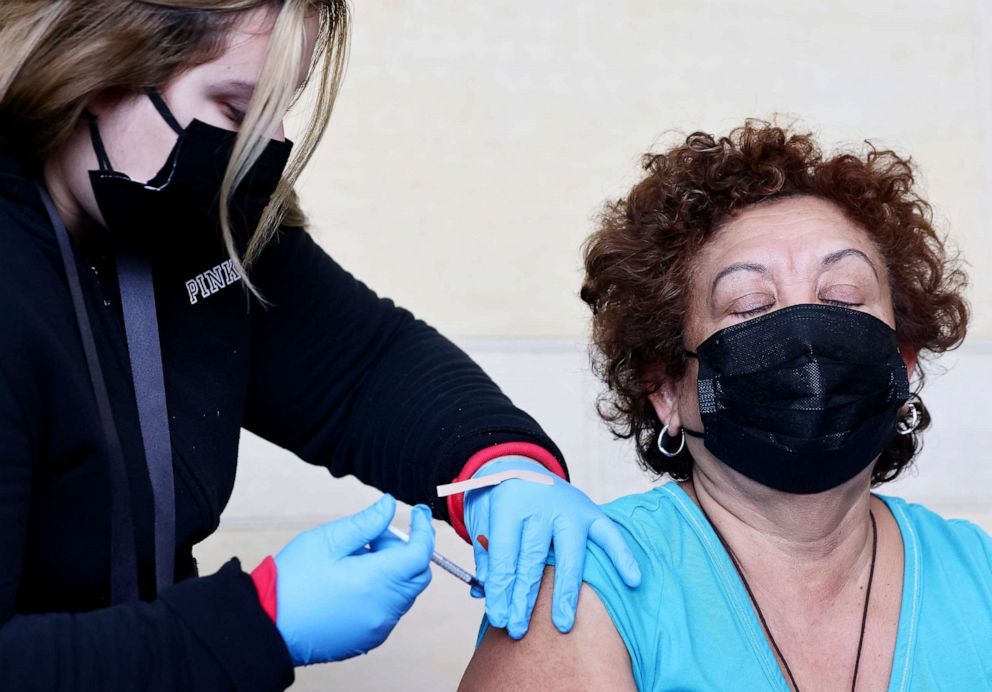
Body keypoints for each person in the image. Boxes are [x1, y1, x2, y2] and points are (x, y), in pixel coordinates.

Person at [0, 2, 642, 689]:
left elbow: (363, 367)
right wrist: (257, 622)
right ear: (97, 71)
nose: (268, 145)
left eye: (281, 108)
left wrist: (500, 470)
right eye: (235, 106)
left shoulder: (192, 229)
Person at [461, 122, 992, 690]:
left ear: (902, 363)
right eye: (751, 305)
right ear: (666, 387)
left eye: (842, 297)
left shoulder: (979, 575)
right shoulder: (585, 587)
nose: (806, 340)